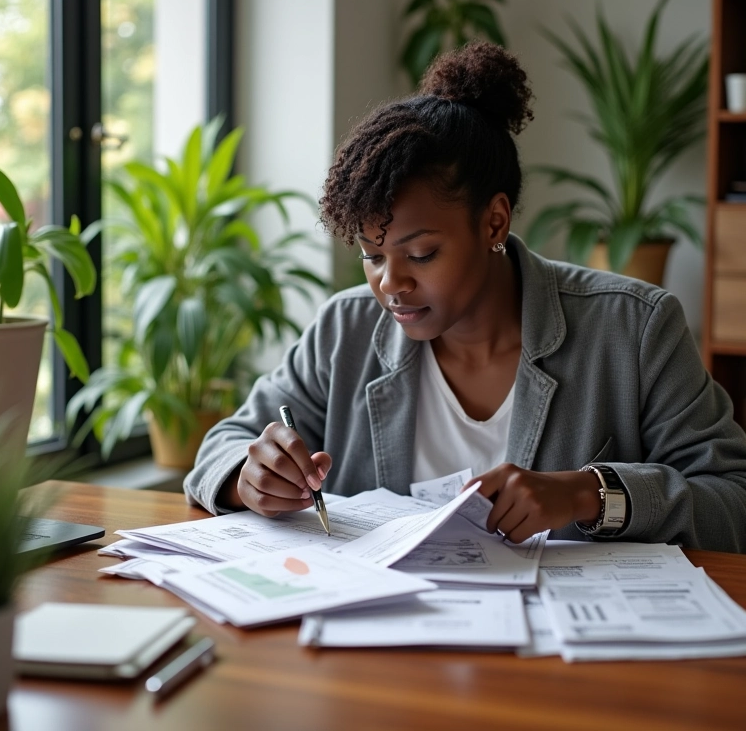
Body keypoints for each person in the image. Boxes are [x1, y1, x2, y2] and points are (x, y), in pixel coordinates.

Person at [184, 42, 746, 553]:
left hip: (561, 657)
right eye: (372, 255)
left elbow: (732, 499)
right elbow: (224, 445)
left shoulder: (635, 329)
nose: (390, 284)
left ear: (493, 222)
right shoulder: (344, 331)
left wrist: (590, 495)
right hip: (378, 650)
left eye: (422, 254)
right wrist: (247, 475)